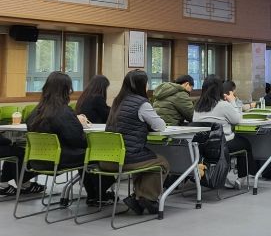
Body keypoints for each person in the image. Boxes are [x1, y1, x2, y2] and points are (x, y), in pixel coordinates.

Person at [26, 71, 111, 205]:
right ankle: (98, 193)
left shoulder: (35, 112)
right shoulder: (63, 112)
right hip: (60, 159)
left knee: (85, 155)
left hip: (37, 160)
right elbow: (78, 140)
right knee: (98, 155)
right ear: (66, 90)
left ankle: (95, 194)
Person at [105, 70, 170, 215]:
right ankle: (147, 198)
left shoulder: (117, 101)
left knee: (144, 159)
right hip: (125, 159)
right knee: (162, 162)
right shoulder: (142, 104)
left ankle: (137, 198)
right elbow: (160, 126)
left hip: (106, 159)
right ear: (142, 85)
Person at [193, 76, 255, 182]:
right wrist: (233, 101)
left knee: (239, 141)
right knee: (245, 143)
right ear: (219, 89)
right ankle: (242, 177)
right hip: (221, 145)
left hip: (202, 147)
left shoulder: (197, 107)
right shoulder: (223, 105)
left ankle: (224, 176)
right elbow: (237, 120)